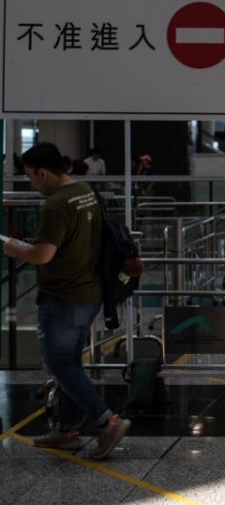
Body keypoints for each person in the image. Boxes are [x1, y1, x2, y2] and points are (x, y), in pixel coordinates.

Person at [3, 142, 131, 459]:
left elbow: (42, 254)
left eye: (32, 178)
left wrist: (11, 246)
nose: (33, 184)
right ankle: (67, 430)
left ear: (43, 172)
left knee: (60, 364)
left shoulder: (56, 205)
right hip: (90, 292)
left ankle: (106, 421)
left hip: (63, 297)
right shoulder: (85, 191)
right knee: (70, 363)